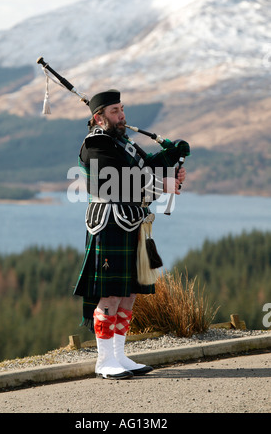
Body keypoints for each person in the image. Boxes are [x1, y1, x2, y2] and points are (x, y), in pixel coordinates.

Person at [73, 89, 187, 379]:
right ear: (99, 118)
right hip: (108, 224)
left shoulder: (122, 141)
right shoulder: (96, 145)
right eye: (115, 111)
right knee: (110, 295)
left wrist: (169, 156)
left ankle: (120, 355)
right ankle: (104, 360)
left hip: (133, 223)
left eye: (122, 109)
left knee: (130, 293)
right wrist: (164, 186)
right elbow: (114, 184)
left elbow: (145, 167)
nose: (122, 115)